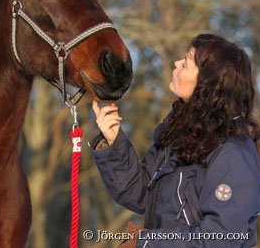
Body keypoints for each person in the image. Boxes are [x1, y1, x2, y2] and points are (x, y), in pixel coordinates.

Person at [89, 34, 260, 247]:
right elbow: (140, 193)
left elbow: (220, 237)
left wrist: (145, 242)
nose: (177, 64)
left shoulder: (233, 153)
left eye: (186, 62)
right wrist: (113, 141)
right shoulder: (178, 135)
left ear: (207, 82)